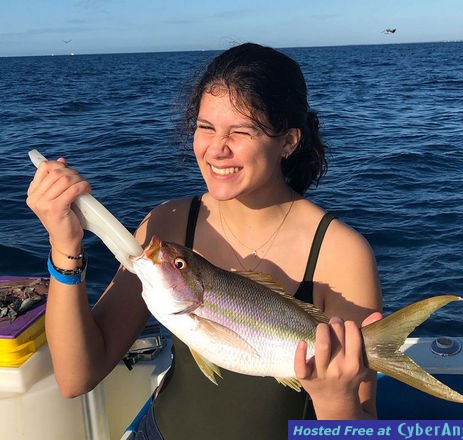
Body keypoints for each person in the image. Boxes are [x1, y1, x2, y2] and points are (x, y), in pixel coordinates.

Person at [26, 43, 382, 439]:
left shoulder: (339, 252)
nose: (216, 149)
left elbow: (362, 424)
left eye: (241, 131)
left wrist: (336, 402)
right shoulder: (170, 225)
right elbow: (78, 377)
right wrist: (65, 245)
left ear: (288, 141)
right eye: (205, 127)